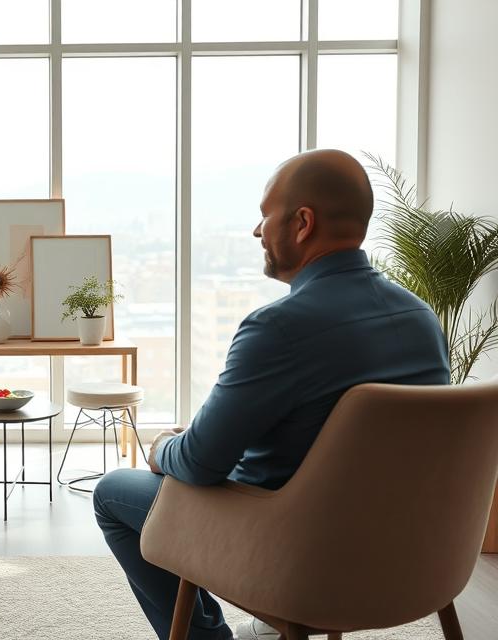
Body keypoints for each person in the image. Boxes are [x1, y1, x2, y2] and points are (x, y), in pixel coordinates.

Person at [92, 149, 451, 640]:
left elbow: (201, 464)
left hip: (298, 558)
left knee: (112, 491)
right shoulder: (420, 319)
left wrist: (162, 447)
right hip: (413, 558)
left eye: (266, 215)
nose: (258, 231)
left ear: (302, 223)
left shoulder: (279, 328)